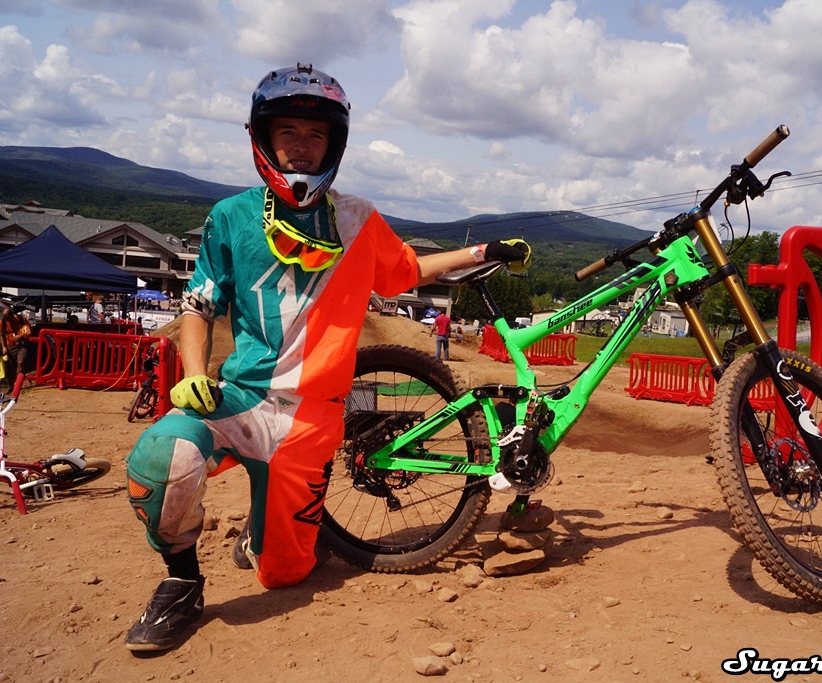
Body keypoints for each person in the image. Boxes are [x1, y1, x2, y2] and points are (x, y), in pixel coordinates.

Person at [122, 63, 531, 653]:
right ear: (263, 138)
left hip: (312, 421)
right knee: (164, 456)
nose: (301, 145)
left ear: (333, 143)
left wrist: (481, 249)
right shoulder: (230, 217)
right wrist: (191, 375)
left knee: (282, 575)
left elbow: (406, 271)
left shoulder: (357, 218)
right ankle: (182, 583)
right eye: (287, 131)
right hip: (240, 399)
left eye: (315, 134)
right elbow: (198, 305)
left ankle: (264, 534)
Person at [0, 308, 30, 377]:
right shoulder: (2, 322)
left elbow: (28, 329)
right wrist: (3, 347)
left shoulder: (21, 319)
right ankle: (12, 383)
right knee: (11, 366)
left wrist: (20, 335)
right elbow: (1, 335)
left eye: (8, 318)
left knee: (20, 362)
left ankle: (18, 381)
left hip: (22, 345)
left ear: (12, 315)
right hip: (10, 346)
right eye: (5, 318)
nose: (6, 320)